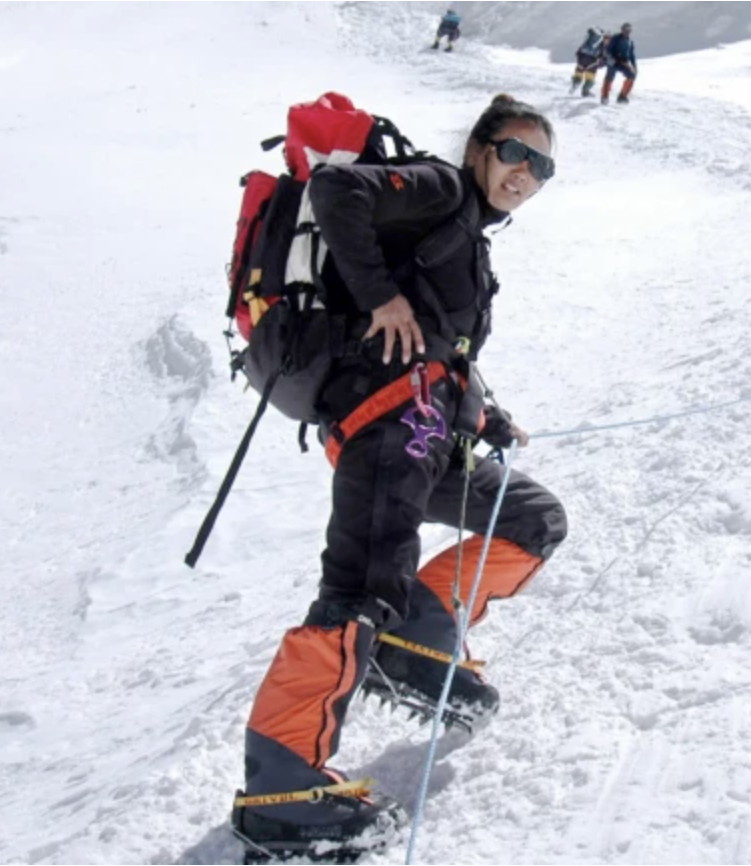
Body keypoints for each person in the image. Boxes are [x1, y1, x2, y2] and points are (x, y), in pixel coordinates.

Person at [230, 94, 567, 860]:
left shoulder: (462, 239)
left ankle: (419, 630)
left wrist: (484, 412)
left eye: (542, 167)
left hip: (428, 433)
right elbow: (337, 191)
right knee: (359, 586)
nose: (526, 174)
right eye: (516, 153)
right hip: (387, 423)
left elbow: (441, 348)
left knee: (531, 520)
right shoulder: (443, 190)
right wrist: (380, 298)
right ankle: (281, 783)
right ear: (481, 147)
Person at [601, 22, 638, 105]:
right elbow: (608, 49)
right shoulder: (615, 38)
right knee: (609, 78)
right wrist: (610, 59)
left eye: (629, 30)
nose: (627, 31)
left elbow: (632, 55)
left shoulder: (630, 41)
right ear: (622, 30)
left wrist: (634, 66)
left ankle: (622, 96)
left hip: (623, 63)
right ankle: (605, 96)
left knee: (631, 76)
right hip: (613, 61)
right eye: (626, 29)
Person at [570, 27, 608, 97]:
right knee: (590, 78)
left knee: (578, 74)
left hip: (582, 59)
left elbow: (579, 51)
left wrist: (579, 59)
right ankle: (585, 91)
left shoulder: (588, 41)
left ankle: (574, 86)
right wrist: (602, 64)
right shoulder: (602, 45)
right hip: (592, 62)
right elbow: (604, 57)